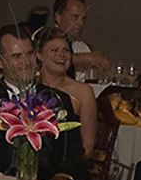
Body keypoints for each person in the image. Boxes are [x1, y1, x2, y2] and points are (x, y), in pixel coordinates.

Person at [0, 24, 86, 180]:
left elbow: (72, 153)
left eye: (29, 54)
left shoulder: (57, 99)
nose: (26, 62)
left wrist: (62, 178)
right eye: (16, 56)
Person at [35, 30, 99, 158]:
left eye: (66, 50)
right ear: (39, 55)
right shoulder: (30, 88)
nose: (61, 55)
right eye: (54, 50)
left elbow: (87, 146)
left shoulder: (83, 91)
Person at [51, 0, 112, 80]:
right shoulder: (43, 38)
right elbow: (48, 60)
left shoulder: (81, 47)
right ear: (58, 17)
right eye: (75, 17)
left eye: (83, 18)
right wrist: (86, 58)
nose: (81, 23)